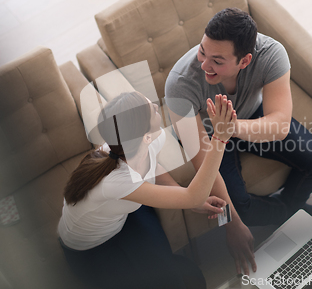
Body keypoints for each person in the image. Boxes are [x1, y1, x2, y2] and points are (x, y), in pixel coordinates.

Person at [165, 7, 312, 274]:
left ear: (244, 61)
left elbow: (278, 125)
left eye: (217, 61)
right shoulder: (180, 85)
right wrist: (232, 225)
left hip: (248, 122)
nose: (204, 65)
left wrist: (232, 127)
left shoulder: (271, 53)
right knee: (241, 209)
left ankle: (289, 211)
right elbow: (203, 168)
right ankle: (292, 213)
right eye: (202, 51)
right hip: (210, 136)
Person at [57, 91, 236, 289]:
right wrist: (219, 139)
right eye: (150, 107)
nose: (154, 104)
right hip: (91, 249)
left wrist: (182, 196)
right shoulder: (117, 180)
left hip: (123, 215)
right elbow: (193, 196)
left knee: (181, 277)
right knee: (171, 281)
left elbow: (152, 166)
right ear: (143, 134)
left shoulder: (142, 141)